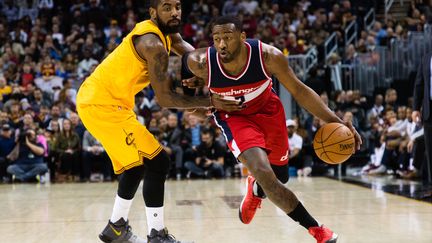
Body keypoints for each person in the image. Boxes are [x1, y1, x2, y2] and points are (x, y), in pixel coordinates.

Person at [183, 16, 361, 243]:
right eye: (216, 39)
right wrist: (202, 105)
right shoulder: (201, 62)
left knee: (280, 178)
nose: (222, 45)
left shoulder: (268, 56)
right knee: (265, 174)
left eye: (227, 38)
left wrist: (336, 121)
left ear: (242, 37)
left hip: (268, 111)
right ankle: (317, 230)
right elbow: (180, 73)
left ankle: (255, 189)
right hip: (235, 117)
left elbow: (300, 91)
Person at [76, 1, 239, 242]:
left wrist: (212, 71)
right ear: (153, 13)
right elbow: (164, 98)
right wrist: (209, 101)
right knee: (159, 161)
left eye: (177, 6)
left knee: (136, 166)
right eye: (166, 7)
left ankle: (115, 227)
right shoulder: (152, 44)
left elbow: (190, 53)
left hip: (109, 103)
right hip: (101, 104)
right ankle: (157, 235)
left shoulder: (167, 34)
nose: (174, 12)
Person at [412, 51, 432, 183]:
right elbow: (419, 84)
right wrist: (415, 108)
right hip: (429, 110)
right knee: (430, 150)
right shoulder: (426, 57)